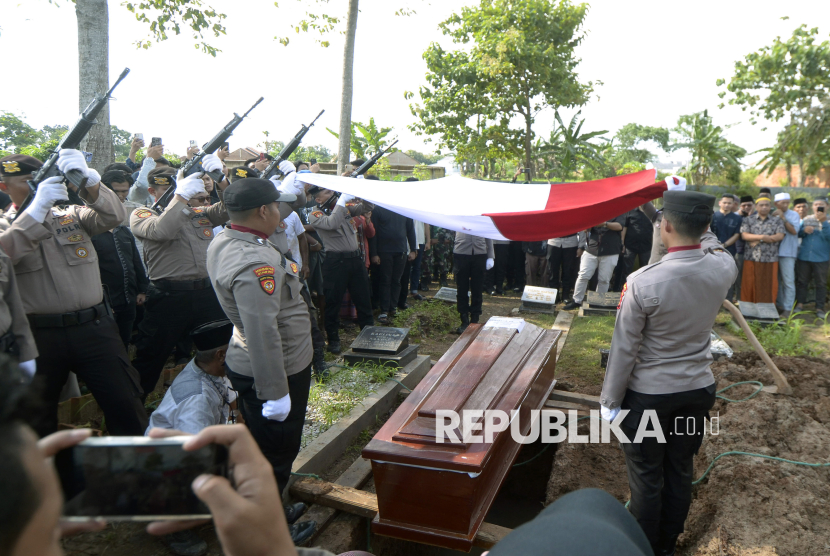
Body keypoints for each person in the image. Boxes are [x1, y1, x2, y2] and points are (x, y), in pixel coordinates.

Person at [600, 190, 737, 556]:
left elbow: (624, 348)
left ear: (667, 226)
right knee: (680, 470)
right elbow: (713, 241)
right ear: (707, 225)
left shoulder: (644, 281)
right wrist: (701, 220)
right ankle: (667, 546)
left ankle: (642, 548)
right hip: (697, 390)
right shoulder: (723, 265)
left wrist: (610, 400)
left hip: (649, 398)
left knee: (647, 479)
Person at [0, 152, 147, 438]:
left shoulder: (70, 215)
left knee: (126, 404)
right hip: (39, 337)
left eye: (38, 181)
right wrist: (36, 207)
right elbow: (7, 253)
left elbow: (114, 215)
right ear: (4, 187)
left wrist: (89, 181)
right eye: (26, 182)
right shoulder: (6, 227)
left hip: (95, 329)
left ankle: (137, 472)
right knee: (37, 420)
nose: (34, 187)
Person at [206, 177, 316, 545]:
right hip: (277, 368)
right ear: (262, 211)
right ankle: (269, 533)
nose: (281, 214)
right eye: (275, 207)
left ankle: (270, 509)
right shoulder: (255, 263)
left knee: (264, 447)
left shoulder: (230, 237)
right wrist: (275, 393)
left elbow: (284, 207)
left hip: (265, 362)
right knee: (275, 452)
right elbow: (262, 332)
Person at [129, 155, 230, 399]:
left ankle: (226, 402)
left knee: (222, 351)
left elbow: (231, 208)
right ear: (153, 191)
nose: (174, 190)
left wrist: (221, 180)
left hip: (206, 293)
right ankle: (135, 413)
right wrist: (181, 196)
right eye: (167, 187)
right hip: (168, 297)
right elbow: (161, 230)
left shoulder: (197, 212)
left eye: (177, 185)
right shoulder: (142, 214)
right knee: (150, 359)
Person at [307, 186, 374, 354]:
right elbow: (332, 224)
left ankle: (369, 337)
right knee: (332, 302)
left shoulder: (345, 208)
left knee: (364, 299)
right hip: (335, 262)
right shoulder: (315, 215)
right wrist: (342, 201)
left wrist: (364, 191)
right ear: (318, 199)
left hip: (355, 259)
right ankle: (333, 339)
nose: (333, 194)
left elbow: (366, 208)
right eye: (328, 192)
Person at [563, 214, 626, 311]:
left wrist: (604, 224)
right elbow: (585, 229)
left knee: (604, 279)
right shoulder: (596, 210)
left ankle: (598, 303)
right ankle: (576, 301)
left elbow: (620, 226)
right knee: (583, 275)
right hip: (591, 249)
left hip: (611, 251)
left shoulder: (618, 210)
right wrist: (589, 226)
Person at [369, 202, 417, 324]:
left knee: (396, 280)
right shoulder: (378, 210)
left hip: (401, 251)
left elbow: (410, 230)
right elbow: (373, 234)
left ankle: (393, 308)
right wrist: (374, 253)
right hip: (384, 251)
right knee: (385, 280)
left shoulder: (404, 209)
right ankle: (384, 310)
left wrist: (413, 250)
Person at [739, 196, 785, 304]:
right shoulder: (748, 220)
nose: (764, 207)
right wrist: (763, 237)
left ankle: (767, 311)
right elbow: (745, 236)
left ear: (770, 207)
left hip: (770, 257)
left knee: (768, 285)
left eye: (767, 205)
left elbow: (780, 236)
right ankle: (749, 310)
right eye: (761, 205)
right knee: (749, 283)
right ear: (756, 207)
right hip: (751, 256)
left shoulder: (777, 220)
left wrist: (760, 240)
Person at [453, 232, 494, 334]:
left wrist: (491, 255)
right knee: (462, 288)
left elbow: (487, 233)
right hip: (461, 251)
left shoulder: (482, 216)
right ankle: (464, 319)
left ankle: (475, 319)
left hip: (479, 252)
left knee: (477, 288)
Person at [796, 198, 829, 320]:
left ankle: (819, 308)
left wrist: (824, 222)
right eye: (816, 204)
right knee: (802, 282)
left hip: (821, 258)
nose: (818, 206)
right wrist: (803, 230)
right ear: (812, 207)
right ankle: (800, 304)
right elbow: (798, 234)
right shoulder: (806, 219)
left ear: (827, 206)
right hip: (805, 256)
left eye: (821, 205)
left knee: (821, 284)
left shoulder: (829, 220)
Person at [773, 192, 801, 316]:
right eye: (782, 203)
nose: (785, 205)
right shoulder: (772, 214)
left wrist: (783, 218)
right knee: (775, 280)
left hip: (788, 253)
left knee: (788, 281)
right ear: (776, 204)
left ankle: (788, 308)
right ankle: (778, 305)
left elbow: (794, 231)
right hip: (772, 252)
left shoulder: (794, 215)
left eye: (787, 202)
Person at [711, 193, 743, 302]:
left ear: (733, 204)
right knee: (712, 275)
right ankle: (713, 300)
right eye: (724, 202)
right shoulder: (713, 216)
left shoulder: (737, 219)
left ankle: (727, 301)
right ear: (720, 203)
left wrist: (724, 245)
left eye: (729, 203)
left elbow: (737, 235)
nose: (726, 205)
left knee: (728, 276)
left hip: (729, 251)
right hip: (712, 250)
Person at [619, 207, 654, 289]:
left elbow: (655, 228)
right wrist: (622, 243)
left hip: (646, 246)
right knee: (626, 269)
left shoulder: (652, 213)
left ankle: (644, 289)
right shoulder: (630, 212)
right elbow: (625, 228)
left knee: (646, 269)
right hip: (630, 245)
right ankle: (624, 288)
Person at [546, 233, 582, 302]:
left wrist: (581, 246)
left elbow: (582, 229)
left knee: (568, 270)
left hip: (571, 242)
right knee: (552, 270)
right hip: (554, 241)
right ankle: (554, 295)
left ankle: (566, 295)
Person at [734, 195, 755, 300]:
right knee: (738, 277)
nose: (747, 207)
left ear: (754, 205)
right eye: (744, 205)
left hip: (754, 253)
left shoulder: (757, 217)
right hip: (739, 251)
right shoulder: (736, 217)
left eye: (749, 205)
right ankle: (738, 298)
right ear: (740, 206)